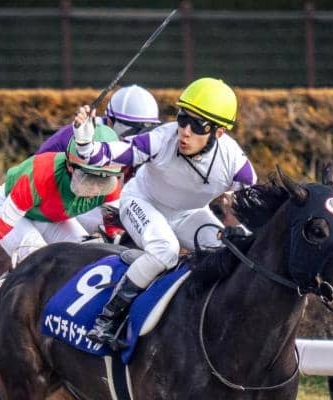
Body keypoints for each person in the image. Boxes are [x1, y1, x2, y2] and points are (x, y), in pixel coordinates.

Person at [72, 77, 257, 346]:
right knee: (165, 251)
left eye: (198, 125)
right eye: (183, 119)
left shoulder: (237, 164)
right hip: (142, 202)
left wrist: (237, 225)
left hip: (188, 214)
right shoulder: (161, 139)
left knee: (232, 253)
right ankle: (107, 320)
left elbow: (253, 213)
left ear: (219, 133)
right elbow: (102, 155)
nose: (185, 132)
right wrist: (84, 141)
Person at [0, 127, 123, 328]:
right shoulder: (38, 177)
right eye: (88, 180)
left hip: (52, 215)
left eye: (104, 181)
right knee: (37, 257)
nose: (94, 191)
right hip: (14, 209)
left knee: (90, 255)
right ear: (70, 166)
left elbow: (114, 233)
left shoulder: (110, 184)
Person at [37, 85, 161, 240]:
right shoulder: (82, 135)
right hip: (56, 201)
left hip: (94, 199)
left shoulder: (140, 146)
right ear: (110, 121)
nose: (135, 142)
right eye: (132, 132)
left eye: (143, 134)